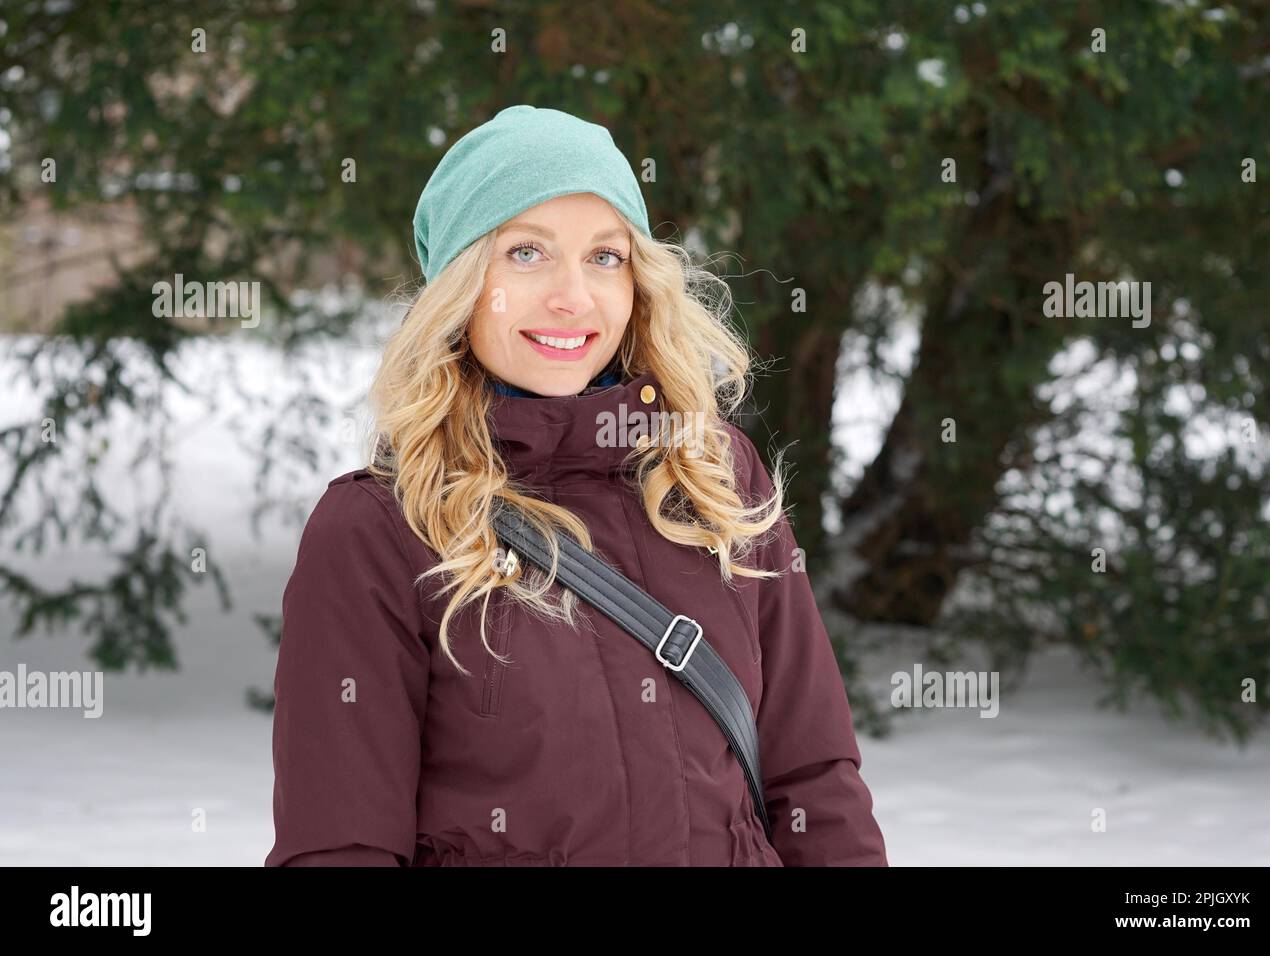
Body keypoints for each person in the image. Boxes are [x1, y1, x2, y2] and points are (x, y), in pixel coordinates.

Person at [264, 104, 888, 867]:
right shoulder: (380, 530)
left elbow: (814, 779)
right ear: (461, 285)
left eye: (605, 257)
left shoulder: (714, 475)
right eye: (526, 253)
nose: (573, 297)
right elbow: (342, 846)